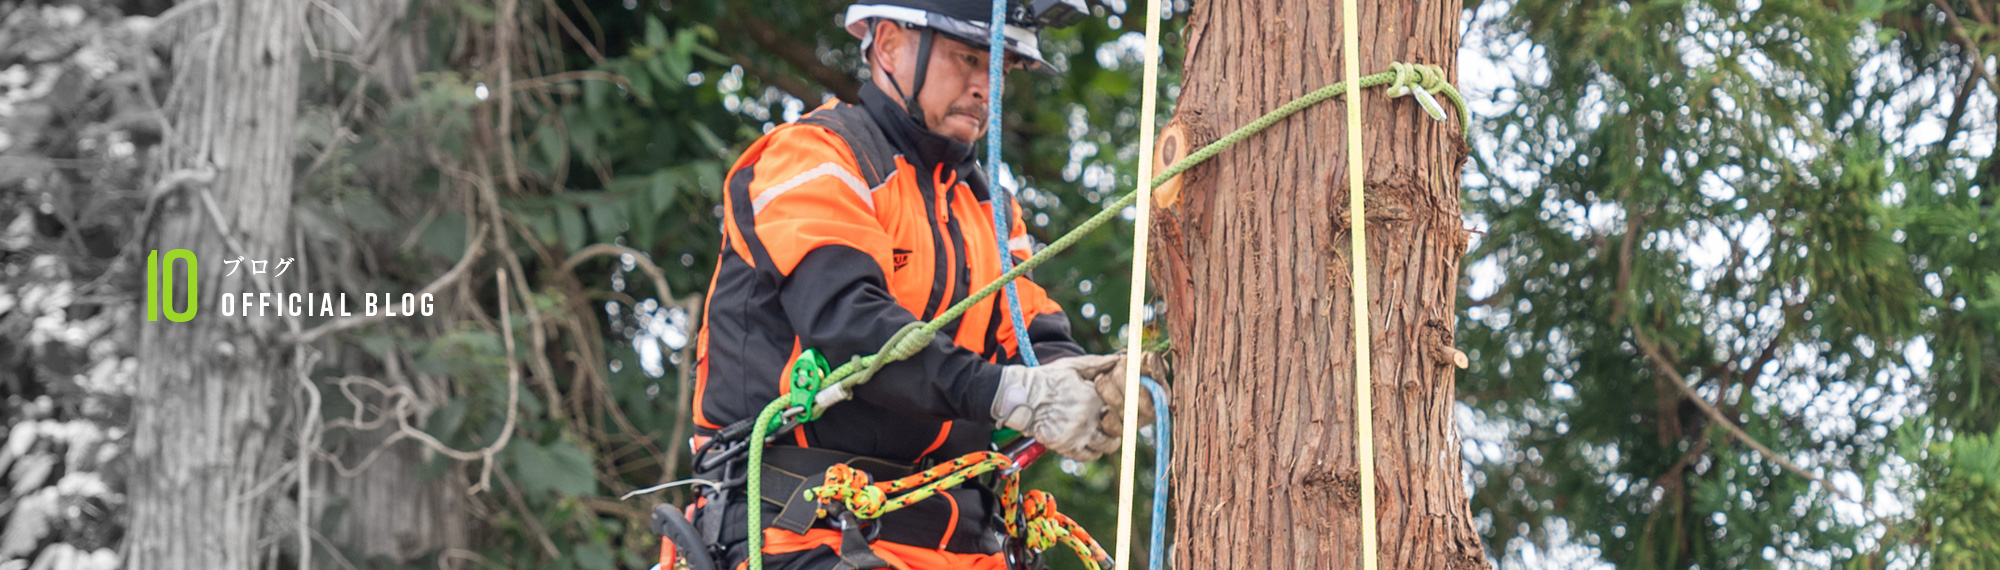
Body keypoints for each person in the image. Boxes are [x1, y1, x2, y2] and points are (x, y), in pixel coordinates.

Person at [686, 2, 1139, 569]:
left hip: (961, 546)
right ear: (890, 46)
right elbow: (850, 324)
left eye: (999, 68)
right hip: (801, 534)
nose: (984, 87)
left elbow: (1028, 334)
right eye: (969, 58)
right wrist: (1011, 394)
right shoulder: (815, 157)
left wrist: (1092, 384)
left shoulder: (988, 208)